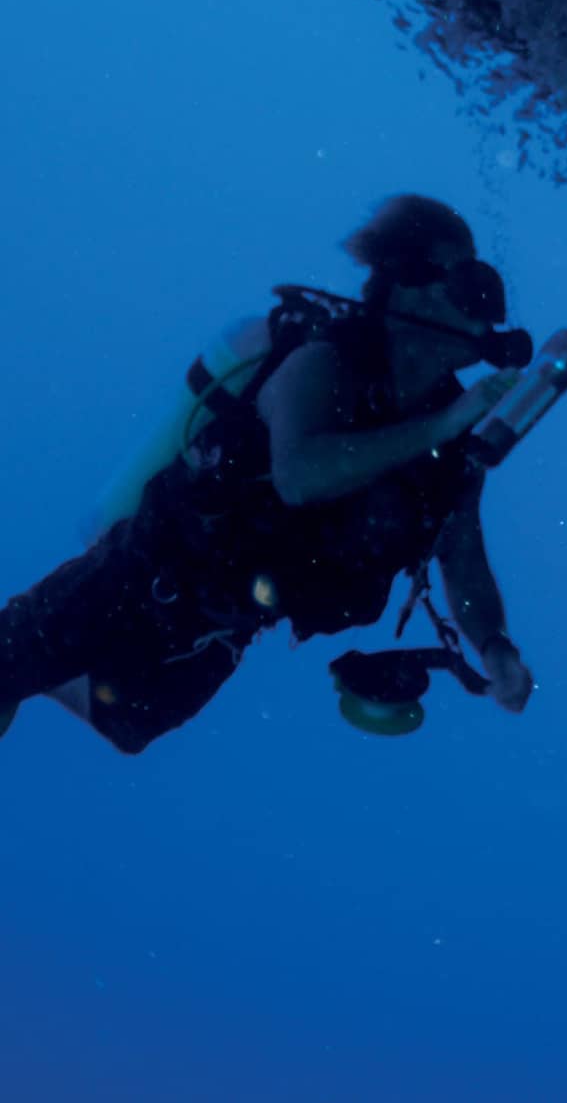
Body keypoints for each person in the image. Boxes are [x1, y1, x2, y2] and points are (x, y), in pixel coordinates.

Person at [0, 194, 536, 754]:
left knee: (126, 726)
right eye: (471, 285)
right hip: (138, 575)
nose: (488, 310)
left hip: (224, 629)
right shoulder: (324, 361)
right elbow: (300, 474)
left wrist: (494, 646)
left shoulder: (450, 439)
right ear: (410, 282)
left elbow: (463, 554)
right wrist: (442, 427)